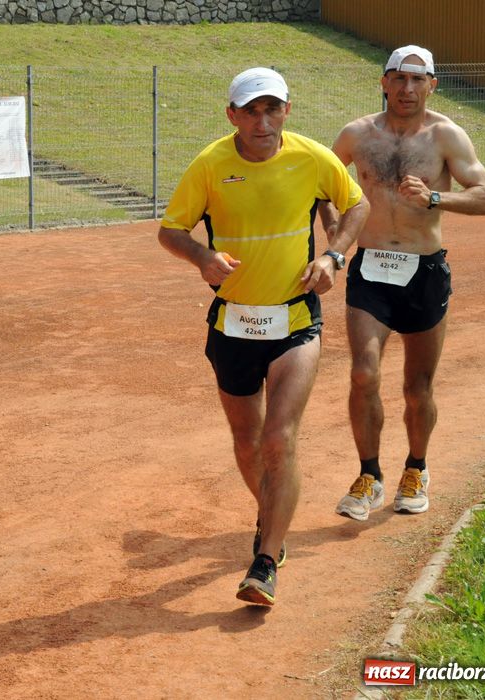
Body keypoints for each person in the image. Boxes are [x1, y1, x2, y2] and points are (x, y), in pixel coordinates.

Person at [158, 67, 369, 607]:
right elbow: (171, 230)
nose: (262, 120)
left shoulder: (311, 157)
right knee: (248, 441)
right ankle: (272, 513)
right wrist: (202, 257)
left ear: (286, 111)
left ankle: (266, 559)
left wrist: (333, 255)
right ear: (231, 115)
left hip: (295, 319)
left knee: (279, 439)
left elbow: (356, 205)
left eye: (272, 108)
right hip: (232, 322)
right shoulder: (209, 165)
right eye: (250, 110)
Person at [323, 46, 485, 522]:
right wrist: (337, 238)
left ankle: (416, 469)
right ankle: (368, 476)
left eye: (418, 80)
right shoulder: (356, 135)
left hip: (423, 271)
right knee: (364, 373)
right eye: (399, 79)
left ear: (432, 85)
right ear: (383, 82)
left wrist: (436, 198)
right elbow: (323, 187)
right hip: (370, 269)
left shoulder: (447, 136)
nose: (407, 89)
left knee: (417, 387)